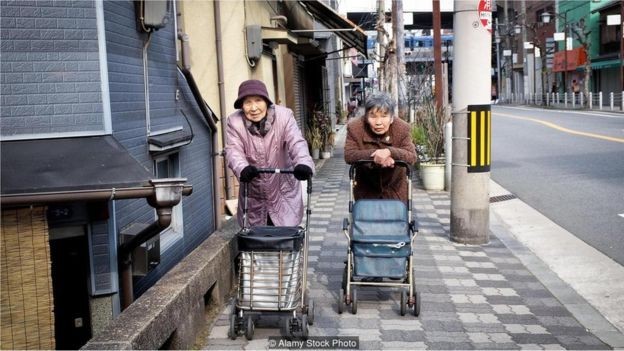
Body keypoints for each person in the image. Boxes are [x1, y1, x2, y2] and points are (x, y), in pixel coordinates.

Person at [225, 79, 314, 227]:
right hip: (254, 193)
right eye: (247, 102)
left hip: (282, 190)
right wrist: (242, 168)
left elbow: (296, 142)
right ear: (242, 106)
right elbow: (233, 150)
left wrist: (303, 163)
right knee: (255, 242)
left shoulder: (284, 116)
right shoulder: (234, 122)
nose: (253, 108)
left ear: (266, 101)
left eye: (258, 100)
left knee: (285, 240)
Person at [344, 92, 417, 203]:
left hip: (395, 191)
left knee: (398, 219)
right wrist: (376, 155)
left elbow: (411, 156)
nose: (378, 122)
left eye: (384, 116)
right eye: (373, 116)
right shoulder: (355, 128)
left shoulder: (402, 128)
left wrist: (389, 152)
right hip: (365, 192)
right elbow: (349, 155)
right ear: (366, 117)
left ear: (392, 118)